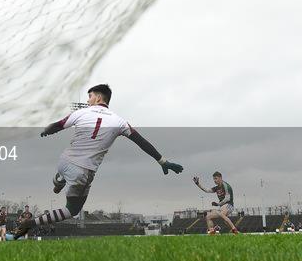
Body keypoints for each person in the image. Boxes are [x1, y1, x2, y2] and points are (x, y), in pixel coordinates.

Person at [14, 84, 183, 239]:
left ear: (98, 98)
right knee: (72, 210)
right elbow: (141, 142)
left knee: (66, 172)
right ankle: (30, 223)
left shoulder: (80, 113)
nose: (88, 100)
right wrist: (162, 161)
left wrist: (45, 131)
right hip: (83, 171)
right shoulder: (119, 121)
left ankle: (59, 180)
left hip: (64, 161)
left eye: (90, 96)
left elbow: (57, 125)